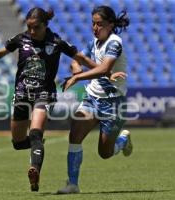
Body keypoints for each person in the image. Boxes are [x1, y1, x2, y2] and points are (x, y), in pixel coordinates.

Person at [0, 7, 121, 192]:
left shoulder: (56, 41)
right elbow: (0, 53)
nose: (32, 31)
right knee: (19, 143)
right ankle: (38, 146)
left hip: (44, 94)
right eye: (29, 27)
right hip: (21, 94)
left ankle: (34, 170)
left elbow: (80, 58)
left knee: (36, 133)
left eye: (36, 27)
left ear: (45, 25)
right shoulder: (21, 39)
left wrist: (106, 72)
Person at [57, 6, 132, 194]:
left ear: (111, 25)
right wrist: (75, 67)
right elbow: (78, 58)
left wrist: (77, 78)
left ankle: (122, 141)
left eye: (100, 24)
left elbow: (104, 68)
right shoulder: (94, 42)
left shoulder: (115, 42)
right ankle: (72, 184)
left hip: (113, 103)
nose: (95, 28)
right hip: (92, 97)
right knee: (75, 135)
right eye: (93, 23)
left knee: (104, 153)